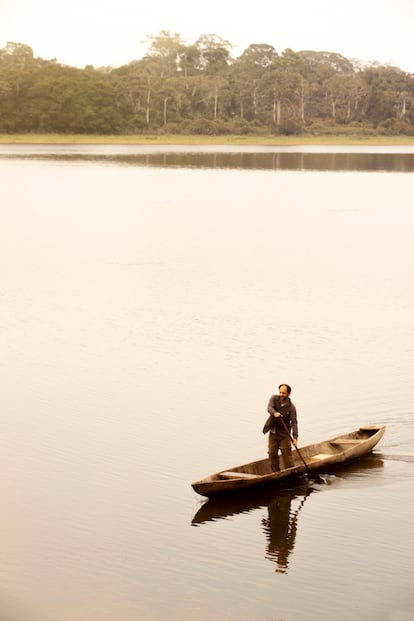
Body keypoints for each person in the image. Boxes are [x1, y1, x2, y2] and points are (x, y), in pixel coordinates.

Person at [262, 384, 298, 472]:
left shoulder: (291, 407)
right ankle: (276, 473)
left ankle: (291, 472)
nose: (281, 395)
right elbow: (269, 408)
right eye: (280, 392)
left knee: (286, 455)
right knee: (272, 453)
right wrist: (274, 413)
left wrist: (295, 437)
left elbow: (294, 422)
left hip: (284, 434)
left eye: (284, 393)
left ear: (289, 394)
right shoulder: (274, 398)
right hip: (273, 432)